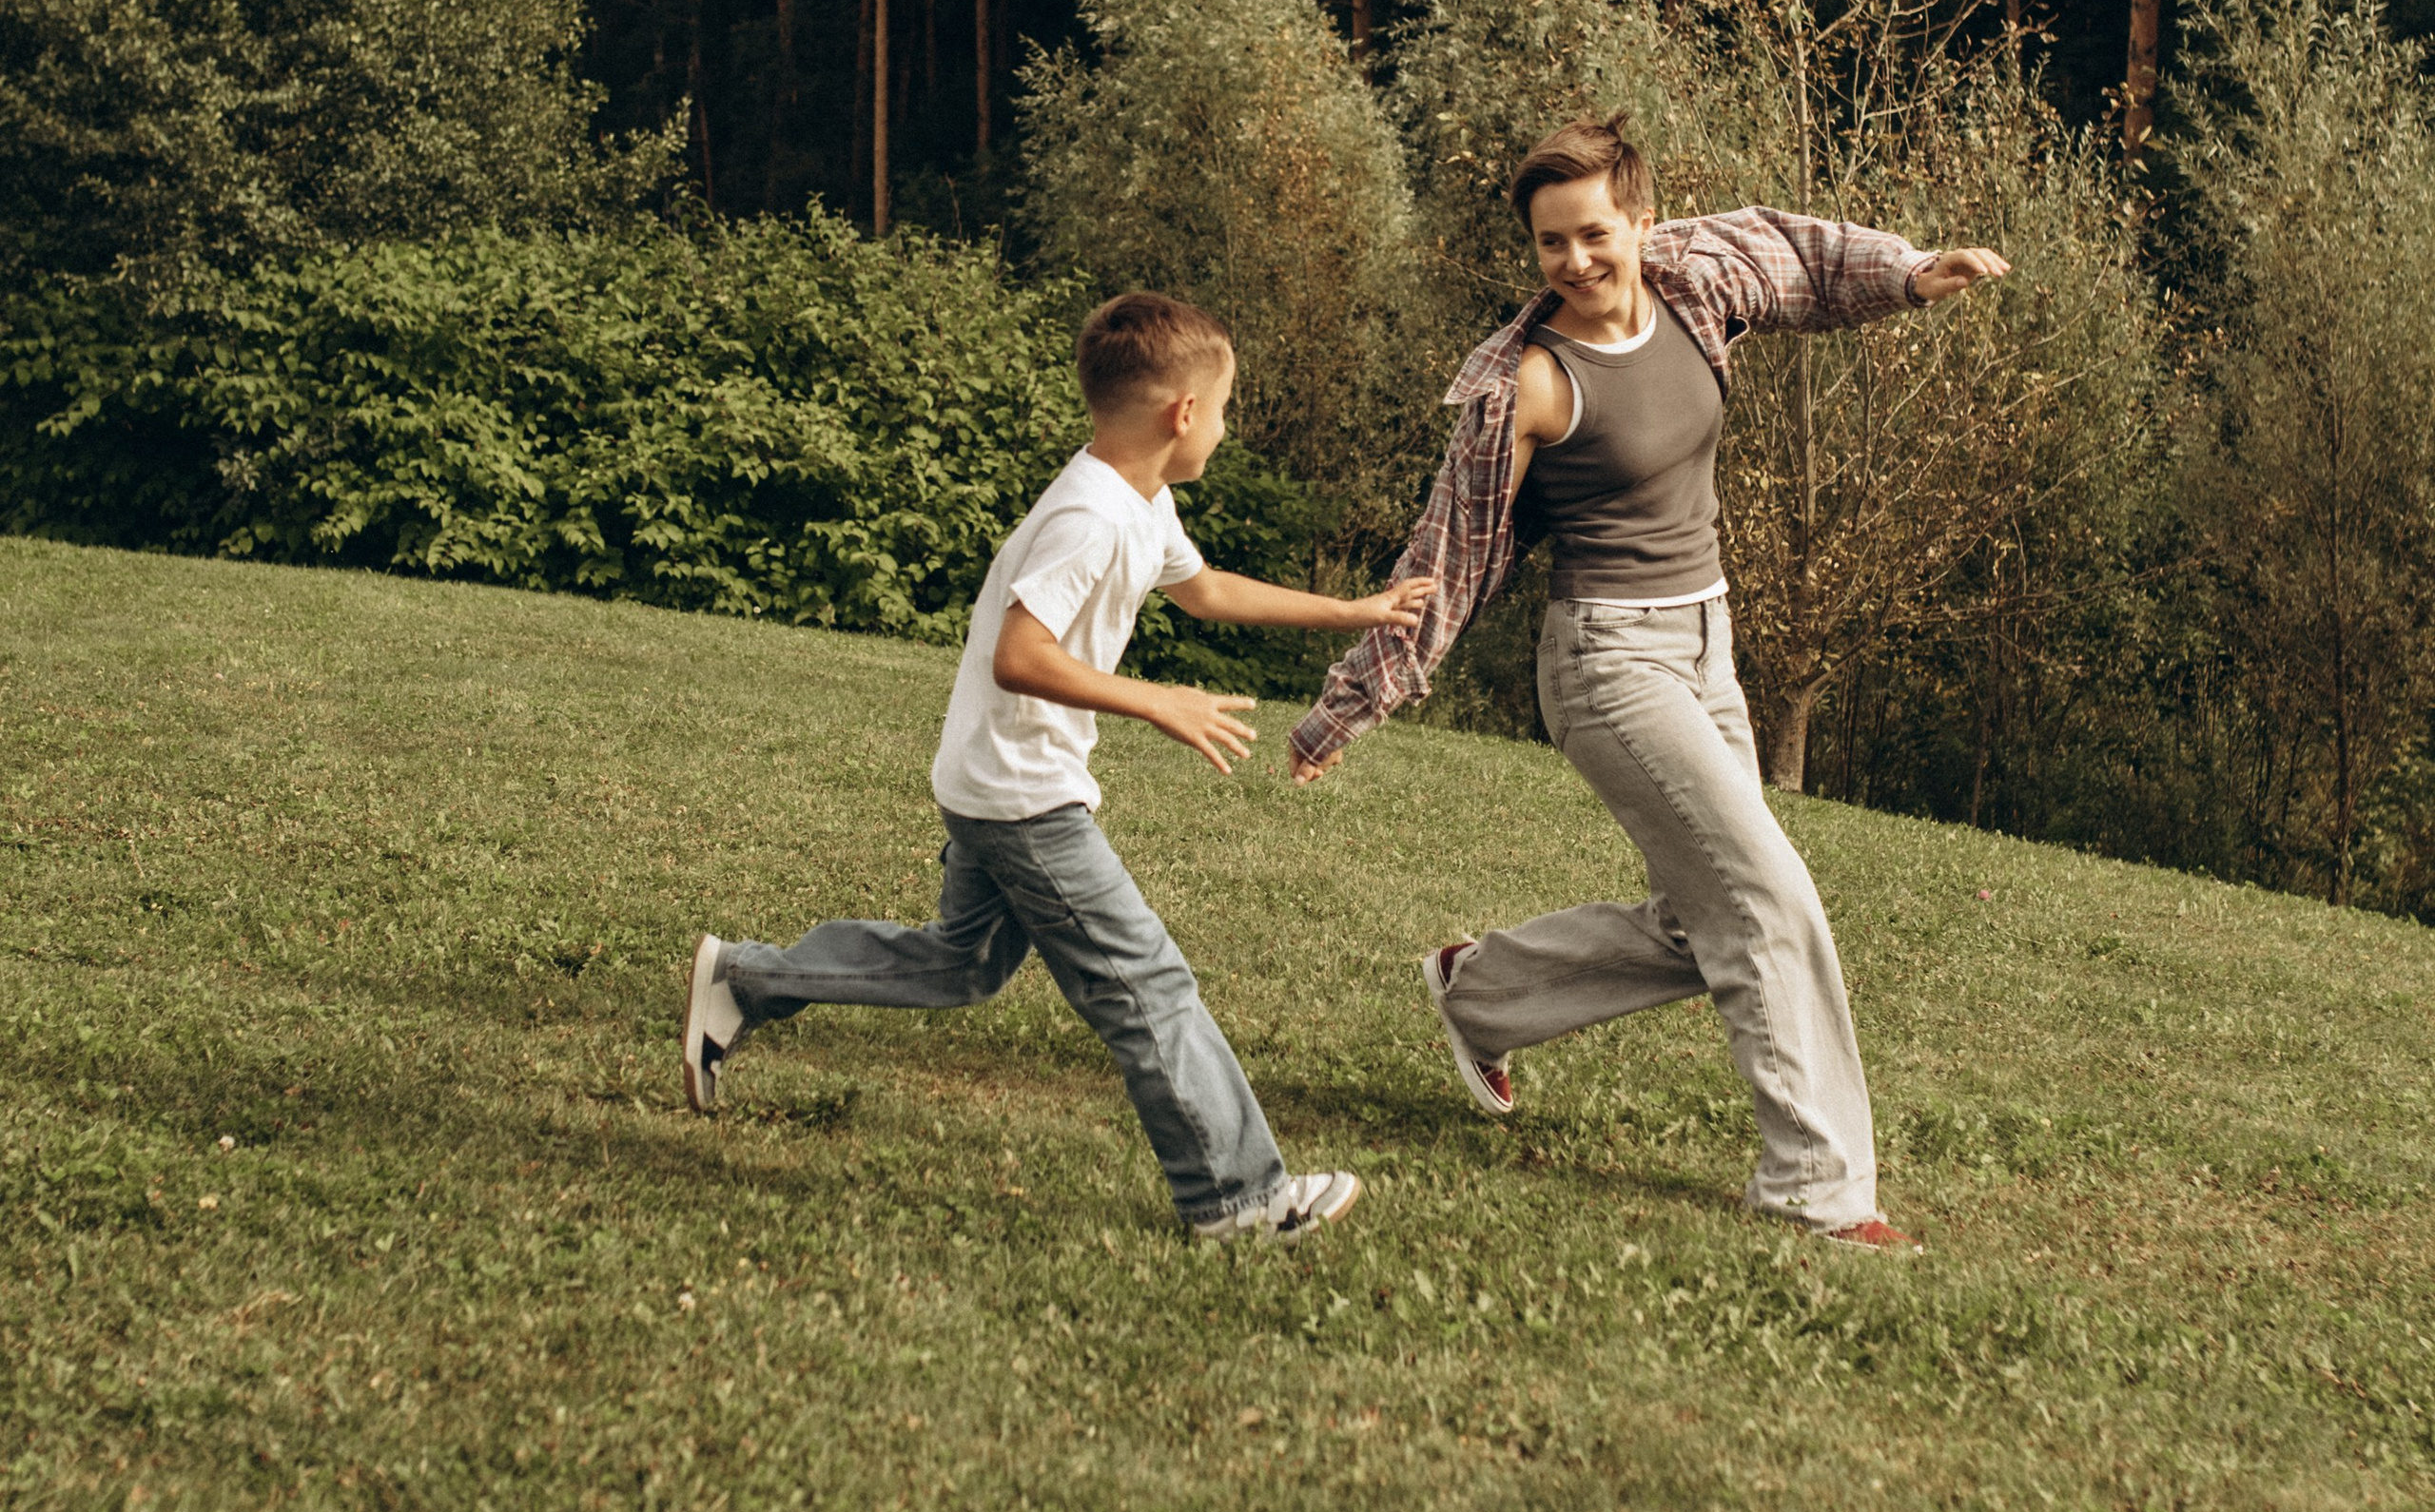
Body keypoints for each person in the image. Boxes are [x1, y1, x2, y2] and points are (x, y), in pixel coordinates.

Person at [1287, 117, 2012, 1250]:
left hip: (1704, 641)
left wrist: (1911, 274)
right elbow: (1450, 557)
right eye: (1549, 245)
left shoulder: (1694, 278)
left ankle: (1478, 992)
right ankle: (1815, 1190)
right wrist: (1352, 700)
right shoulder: (1526, 385)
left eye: (1592, 234)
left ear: (1638, 216)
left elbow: (1799, 253)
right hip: (1607, 664)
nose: (1575, 262)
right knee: (1765, 892)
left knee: (1708, 915)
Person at [682, 289, 1430, 1244]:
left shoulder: (1138, 498)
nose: (1228, 428)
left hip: (995, 778)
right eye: (1227, 407)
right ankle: (1239, 1198)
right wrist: (1156, 698)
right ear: (1183, 412)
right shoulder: (1089, 517)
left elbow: (1200, 591)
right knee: (1146, 984)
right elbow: (1021, 655)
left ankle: (746, 980)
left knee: (959, 963)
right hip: (1024, 798)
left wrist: (1355, 610)